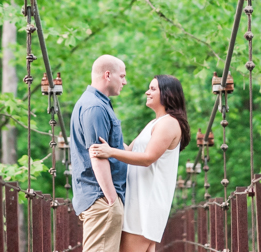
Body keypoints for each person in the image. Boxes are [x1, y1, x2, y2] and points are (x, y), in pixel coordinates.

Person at [89, 75, 191, 252]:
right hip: (139, 201)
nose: (147, 92)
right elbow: (130, 151)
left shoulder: (169, 123)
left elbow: (147, 158)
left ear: (167, 94)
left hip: (146, 204)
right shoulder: (155, 122)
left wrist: (110, 152)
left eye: (153, 89)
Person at [70, 55, 129, 252]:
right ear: (107, 75)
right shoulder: (95, 107)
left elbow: (115, 147)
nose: (124, 81)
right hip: (102, 199)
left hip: (100, 198)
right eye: (121, 76)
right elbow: (98, 156)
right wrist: (112, 201)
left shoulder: (97, 104)